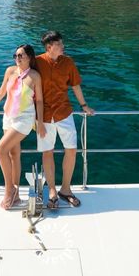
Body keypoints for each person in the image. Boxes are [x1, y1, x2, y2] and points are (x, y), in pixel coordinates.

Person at [0, 44, 46, 209]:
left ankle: (9, 189)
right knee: (14, 154)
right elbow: (1, 93)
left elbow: (40, 101)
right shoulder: (10, 71)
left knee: (0, 149)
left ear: (29, 57)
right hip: (8, 116)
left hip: (24, 119)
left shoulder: (35, 76)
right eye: (15, 55)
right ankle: (15, 196)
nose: (17, 58)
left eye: (21, 55)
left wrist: (40, 122)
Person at [35, 30, 94, 209]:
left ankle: (66, 189)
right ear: (49, 47)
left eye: (62, 43)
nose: (63, 46)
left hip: (64, 113)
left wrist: (84, 105)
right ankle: (52, 190)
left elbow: (75, 85)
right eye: (59, 44)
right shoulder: (37, 62)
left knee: (71, 150)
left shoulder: (68, 62)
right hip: (43, 116)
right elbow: (25, 81)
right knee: (47, 152)